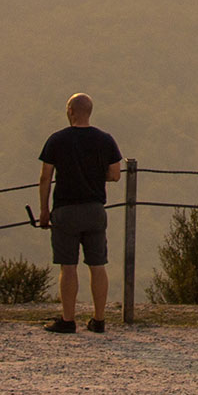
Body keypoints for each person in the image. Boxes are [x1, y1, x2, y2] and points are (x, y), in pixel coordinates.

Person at [35, 93, 123, 334]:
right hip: (95, 210)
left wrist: (44, 210)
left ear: (71, 111)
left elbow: (45, 177)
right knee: (97, 264)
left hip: (66, 210)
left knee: (68, 265)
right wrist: (95, 176)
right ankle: (99, 319)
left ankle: (68, 319)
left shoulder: (57, 139)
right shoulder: (105, 140)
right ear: (89, 111)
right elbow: (115, 174)